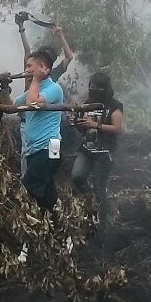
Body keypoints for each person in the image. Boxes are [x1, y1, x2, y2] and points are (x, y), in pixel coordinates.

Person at [71, 71, 124, 231]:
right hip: (86, 149)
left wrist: (97, 126)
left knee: (99, 186)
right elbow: (82, 128)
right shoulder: (87, 103)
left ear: (105, 89)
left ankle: (102, 222)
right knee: (77, 176)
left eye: (97, 87)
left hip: (104, 152)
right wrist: (75, 122)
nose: (93, 90)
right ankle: (89, 201)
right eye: (91, 86)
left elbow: (117, 129)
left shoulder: (114, 105)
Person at [14, 49, 66, 212]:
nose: (26, 70)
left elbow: (32, 105)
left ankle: (39, 218)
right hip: (35, 148)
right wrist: (3, 86)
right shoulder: (33, 90)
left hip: (51, 146)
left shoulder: (53, 88)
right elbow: (13, 106)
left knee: (29, 184)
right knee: (46, 186)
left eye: (30, 66)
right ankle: (54, 219)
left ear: (42, 66)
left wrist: (35, 80)